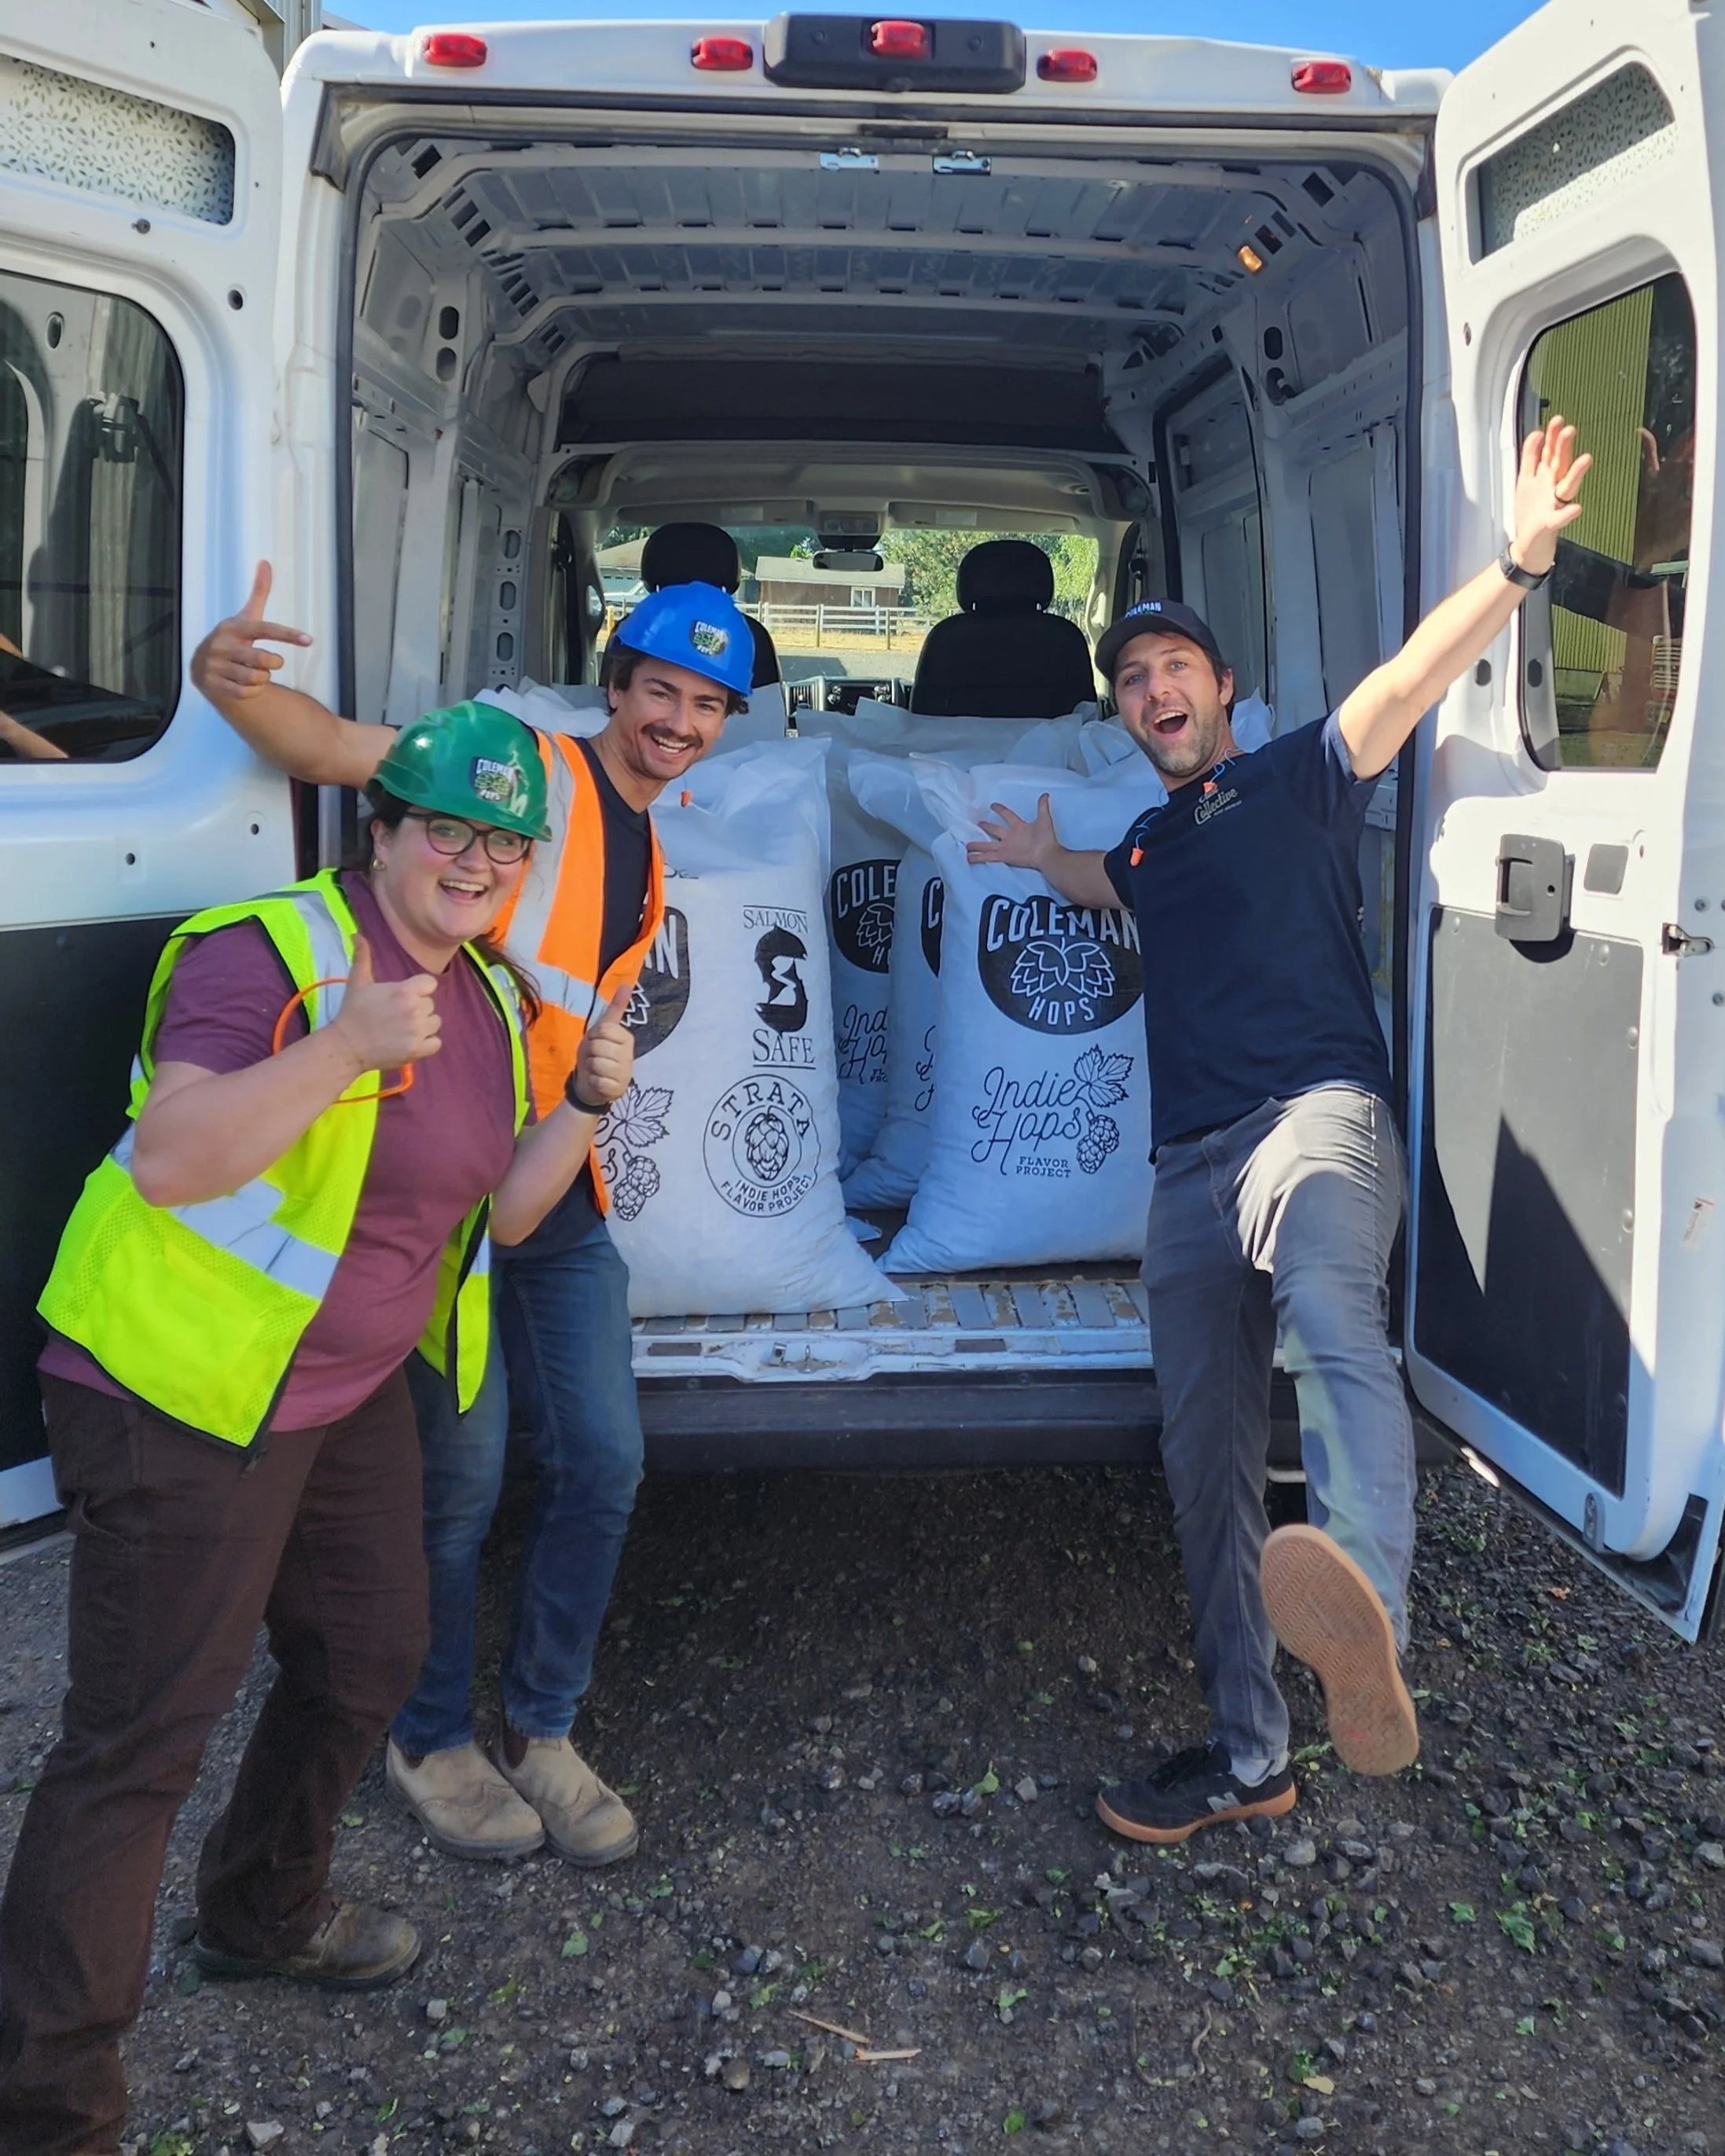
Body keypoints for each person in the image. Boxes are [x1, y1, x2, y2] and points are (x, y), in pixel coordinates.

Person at [0, 703, 639, 2151]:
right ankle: (48, 2104)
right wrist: (346, 1042)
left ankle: (261, 1910)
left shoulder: (485, 996)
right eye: (447, 829)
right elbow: (174, 1157)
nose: (475, 862)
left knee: (367, 1657)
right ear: (382, 830)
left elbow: (504, 1214)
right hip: (175, 1389)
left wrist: (588, 1102)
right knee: (138, 1740)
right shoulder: (270, 955)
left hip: (338, 1395)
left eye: (505, 842)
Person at [970, 417, 1591, 1843]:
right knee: (1201, 1460)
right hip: (1184, 1170)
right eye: (1132, 678)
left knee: (1326, 1311)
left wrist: (1517, 562)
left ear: (1223, 690)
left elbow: (1410, 674)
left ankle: (1363, 1601)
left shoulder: (1302, 772)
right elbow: (1101, 881)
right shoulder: (1146, 842)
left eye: (1173, 666)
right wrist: (1040, 855)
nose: (1153, 688)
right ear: (1124, 716)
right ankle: (1250, 1755)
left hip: (1312, 1116)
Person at [188, 572, 753, 1864]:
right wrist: (234, 690)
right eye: (658, 690)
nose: (677, 720)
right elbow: (337, 750)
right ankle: (429, 1734)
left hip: (553, 1184)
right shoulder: (527, 769)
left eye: (706, 704)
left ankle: (542, 1726)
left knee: (603, 1461)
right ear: (614, 688)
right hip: (446, 1188)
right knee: (460, 1484)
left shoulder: (651, 846)